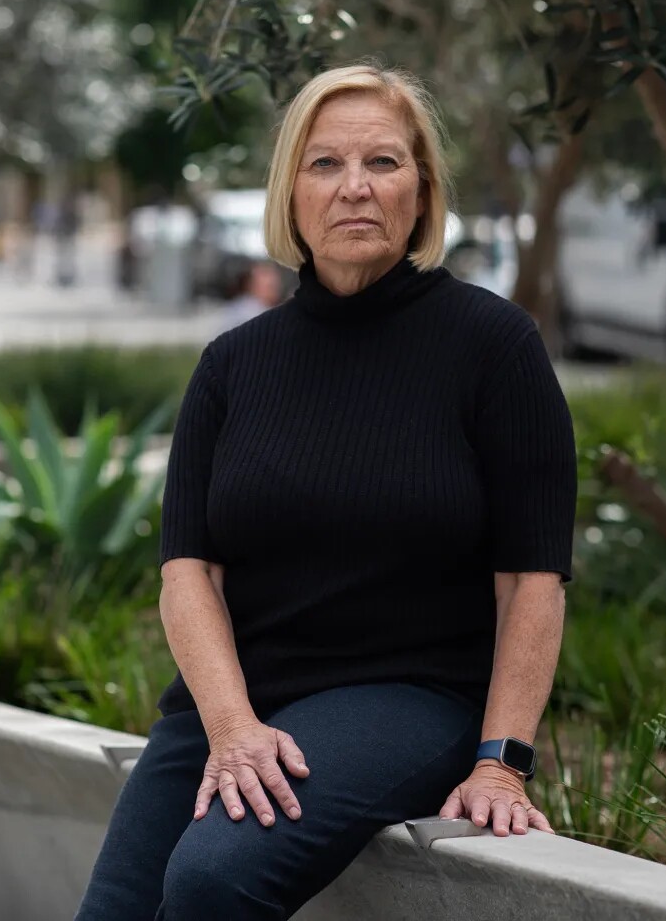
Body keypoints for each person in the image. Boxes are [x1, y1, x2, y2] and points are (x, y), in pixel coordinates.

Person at [75, 63, 577, 921]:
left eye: (383, 163)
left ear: (421, 191)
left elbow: (533, 576)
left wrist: (501, 758)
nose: (355, 189)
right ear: (290, 192)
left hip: (408, 697)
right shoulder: (235, 363)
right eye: (325, 165)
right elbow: (186, 571)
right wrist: (230, 724)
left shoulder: (494, 346)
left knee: (210, 879)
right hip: (233, 699)